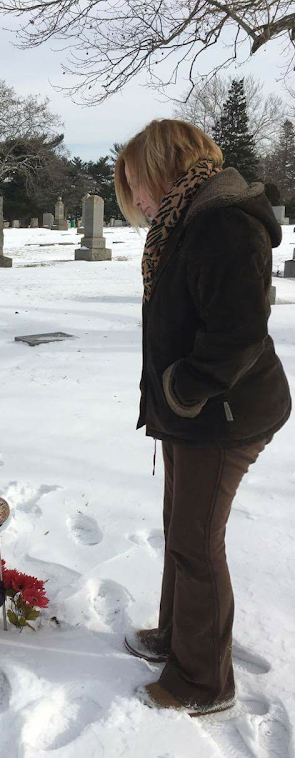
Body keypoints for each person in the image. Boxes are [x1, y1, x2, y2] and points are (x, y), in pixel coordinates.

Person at [115, 119, 291, 716]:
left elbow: (237, 335)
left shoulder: (222, 224)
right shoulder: (185, 221)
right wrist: (171, 397)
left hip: (226, 413)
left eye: (138, 183)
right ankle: (175, 637)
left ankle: (202, 681)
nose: (136, 199)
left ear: (169, 166)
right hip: (194, 412)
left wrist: (182, 390)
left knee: (196, 541)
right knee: (181, 527)